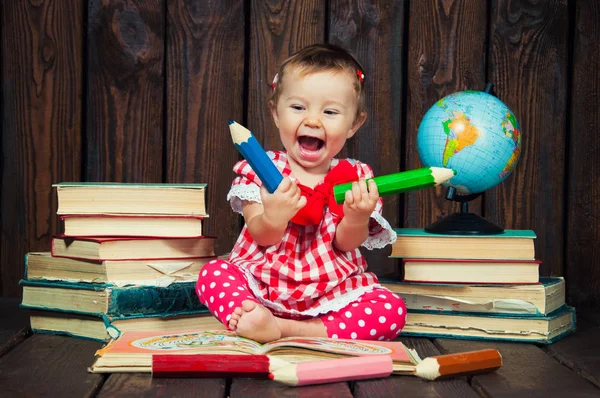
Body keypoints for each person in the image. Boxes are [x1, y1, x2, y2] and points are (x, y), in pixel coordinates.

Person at [196, 43, 406, 343]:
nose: (312, 120)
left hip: (333, 293)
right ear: (275, 112)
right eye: (298, 107)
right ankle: (256, 316)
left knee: (391, 310)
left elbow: (346, 243)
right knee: (212, 274)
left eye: (330, 111)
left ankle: (284, 329)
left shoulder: (357, 177)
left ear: (353, 124)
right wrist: (275, 216)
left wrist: (357, 217)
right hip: (262, 286)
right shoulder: (260, 168)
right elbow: (262, 235)